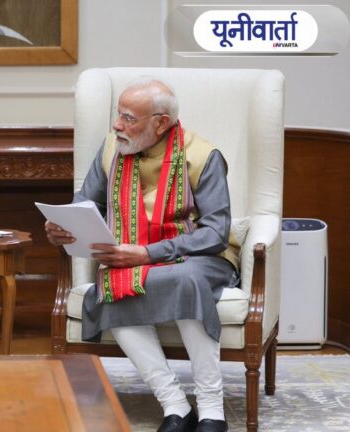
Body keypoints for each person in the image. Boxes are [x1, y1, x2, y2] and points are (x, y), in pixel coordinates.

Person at [45, 78, 239, 432]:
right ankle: (175, 406)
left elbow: (215, 233)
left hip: (197, 257)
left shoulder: (202, 155)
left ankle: (212, 410)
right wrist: (64, 226)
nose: (118, 125)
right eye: (118, 114)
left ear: (161, 123)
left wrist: (148, 253)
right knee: (113, 286)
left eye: (129, 118)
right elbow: (86, 204)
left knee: (186, 280)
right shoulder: (112, 148)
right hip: (128, 255)